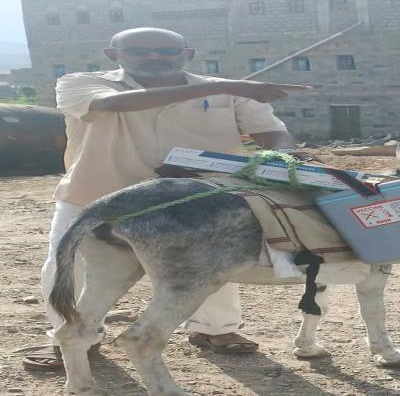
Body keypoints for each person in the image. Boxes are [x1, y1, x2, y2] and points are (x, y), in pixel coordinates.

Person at [23, 27, 312, 370]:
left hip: (199, 199)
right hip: (95, 195)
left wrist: (282, 155)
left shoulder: (231, 93)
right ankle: (72, 338)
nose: (154, 57)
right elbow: (110, 105)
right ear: (112, 55)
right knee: (65, 266)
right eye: (140, 50)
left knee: (212, 260)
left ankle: (217, 331)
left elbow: (271, 131)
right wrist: (222, 85)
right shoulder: (81, 83)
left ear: (188, 54)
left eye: (167, 52)